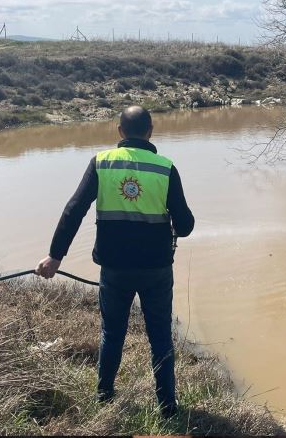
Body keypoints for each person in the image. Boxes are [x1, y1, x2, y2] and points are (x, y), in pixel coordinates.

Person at [35, 105, 195, 418]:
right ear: (151, 132)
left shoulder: (101, 163)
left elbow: (73, 210)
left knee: (112, 333)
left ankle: (105, 396)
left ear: (119, 132)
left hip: (115, 270)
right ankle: (167, 408)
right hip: (156, 270)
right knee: (160, 336)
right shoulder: (165, 168)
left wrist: (55, 257)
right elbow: (186, 226)